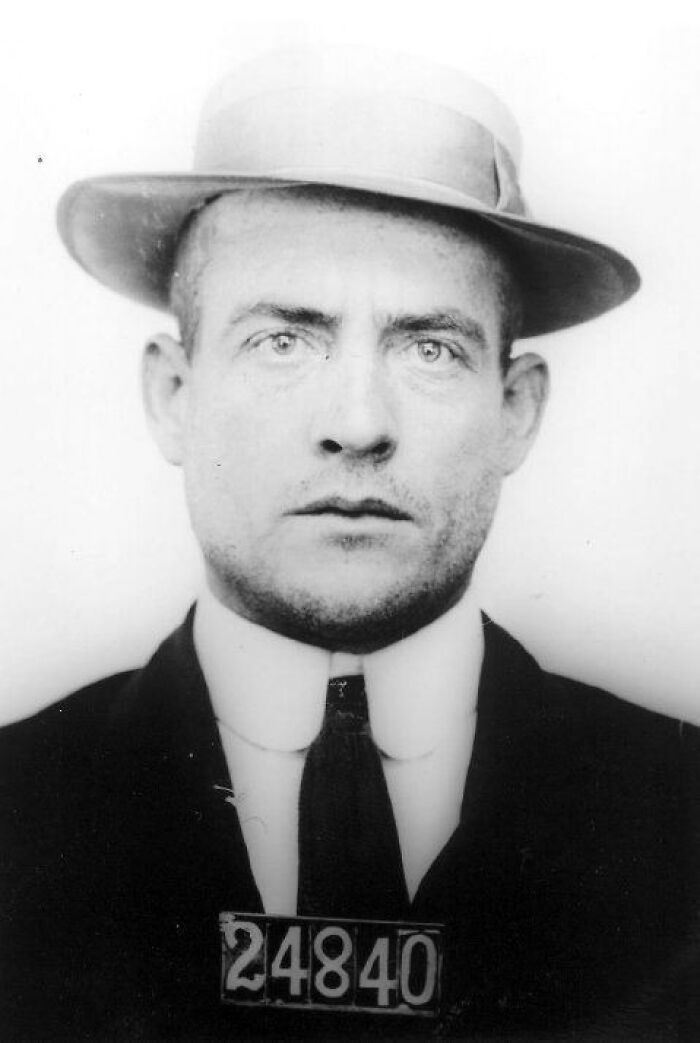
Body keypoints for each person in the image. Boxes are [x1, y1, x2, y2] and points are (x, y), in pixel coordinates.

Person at [1, 48, 698, 1040]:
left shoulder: (676, 815)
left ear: (516, 411)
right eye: (283, 339)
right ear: (171, 395)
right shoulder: (17, 812)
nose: (359, 422)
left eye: (429, 347)